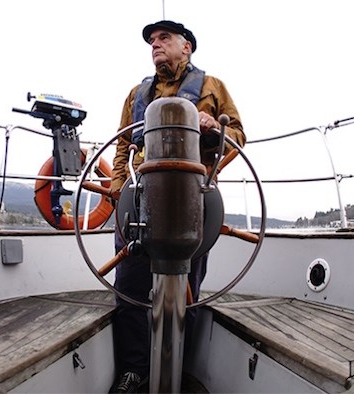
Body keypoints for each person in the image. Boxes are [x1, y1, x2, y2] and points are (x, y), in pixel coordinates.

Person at [109, 20, 246, 393]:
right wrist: (119, 194)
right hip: (139, 201)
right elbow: (123, 149)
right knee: (130, 289)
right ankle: (134, 371)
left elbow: (238, 136)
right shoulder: (136, 93)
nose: (155, 44)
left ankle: (178, 369)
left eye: (164, 38)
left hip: (192, 199)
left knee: (188, 290)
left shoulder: (211, 87)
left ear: (187, 47)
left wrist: (212, 127)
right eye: (152, 40)